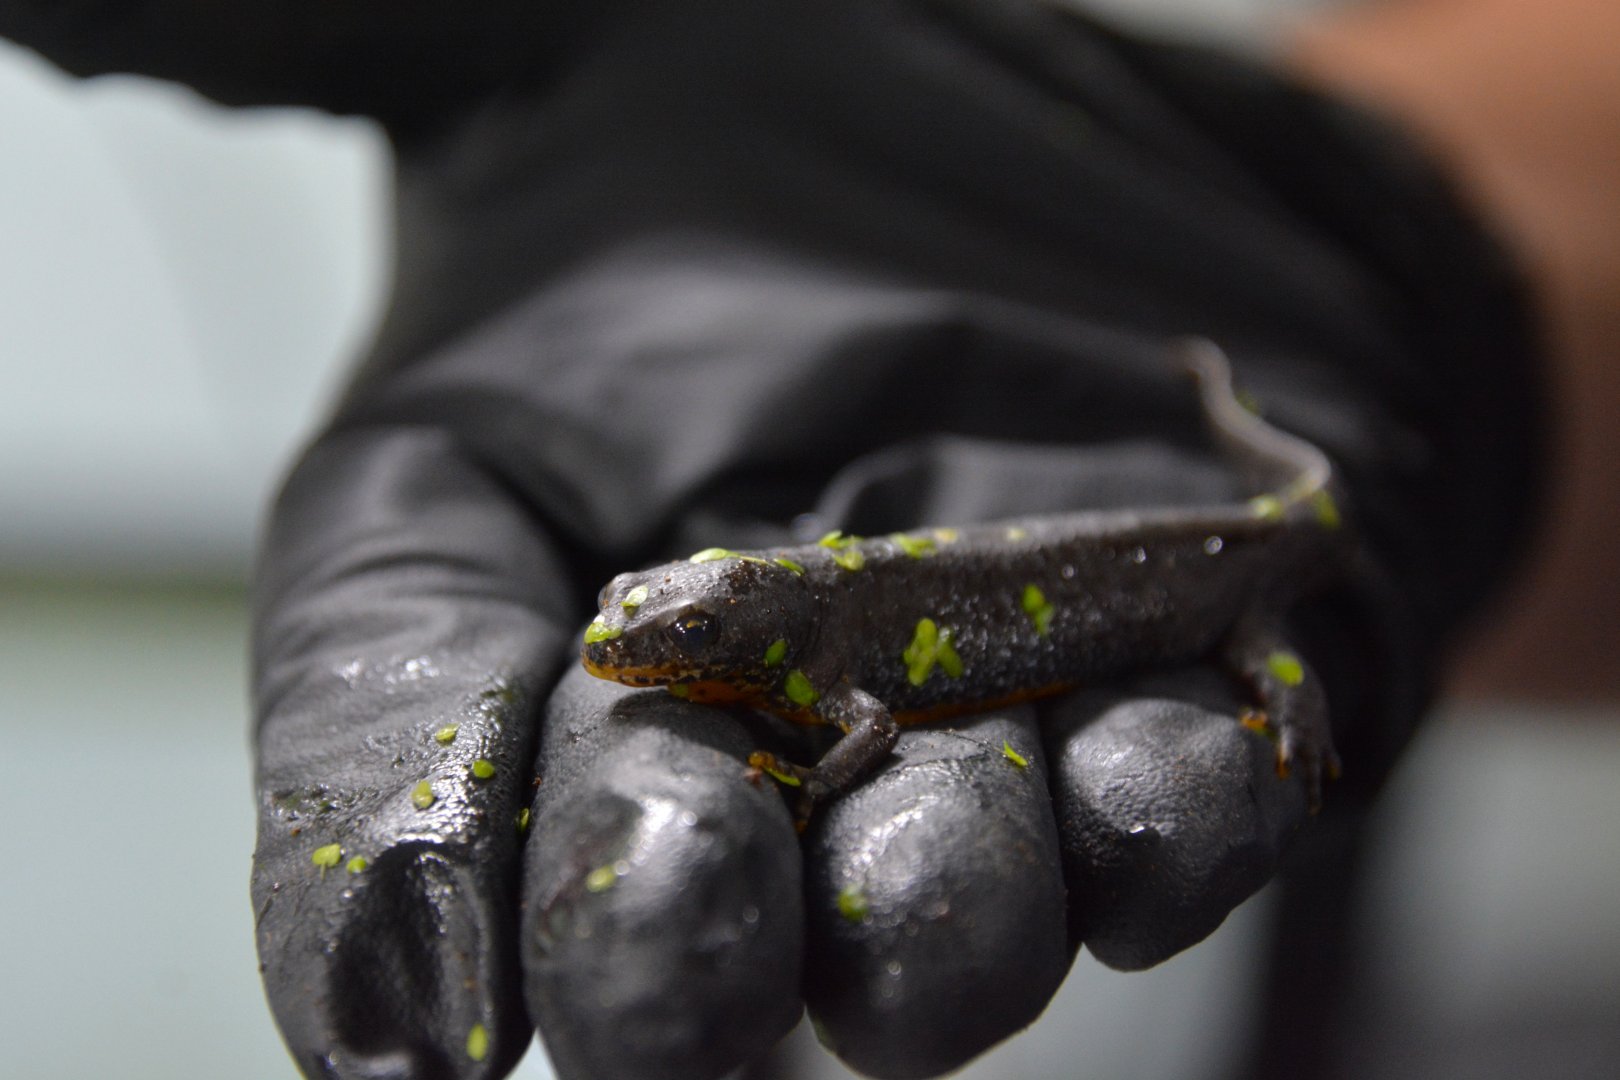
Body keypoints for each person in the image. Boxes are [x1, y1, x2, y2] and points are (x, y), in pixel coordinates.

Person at [3, 1, 1571, 1077]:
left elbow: (873, 725)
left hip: (1259, 588)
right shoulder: (793, 620)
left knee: (1246, 678)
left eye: (665, 642)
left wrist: (1407, 278)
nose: (639, 658)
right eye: (649, 632)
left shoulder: (825, 658)